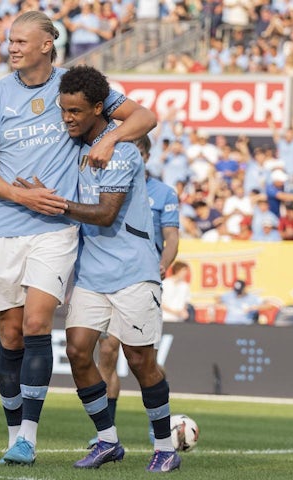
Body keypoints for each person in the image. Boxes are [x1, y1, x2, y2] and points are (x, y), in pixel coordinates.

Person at [0, 10, 156, 466]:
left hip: (56, 228)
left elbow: (145, 117)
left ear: (46, 45)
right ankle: (13, 434)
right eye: (10, 40)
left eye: (20, 41)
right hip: (6, 226)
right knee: (10, 334)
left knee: (36, 325)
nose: (12, 47)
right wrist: (20, 195)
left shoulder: (75, 87)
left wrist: (109, 141)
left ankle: (28, 438)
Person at [18, 65, 179, 472]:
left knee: (141, 361)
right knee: (76, 350)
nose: (67, 118)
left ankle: (164, 447)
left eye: (75, 111)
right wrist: (38, 190)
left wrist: (55, 204)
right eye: (63, 111)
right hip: (92, 272)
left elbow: (106, 214)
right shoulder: (74, 150)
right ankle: (107, 440)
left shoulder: (121, 150)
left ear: (96, 108)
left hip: (133, 271)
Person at [89, 134, 181, 442]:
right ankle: (106, 433)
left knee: (143, 361)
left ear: (146, 155)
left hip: (142, 279)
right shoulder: (105, 187)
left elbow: (171, 238)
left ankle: (159, 428)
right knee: (107, 350)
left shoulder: (162, 193)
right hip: (110, 278)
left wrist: (163, 264)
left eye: (138, 151)